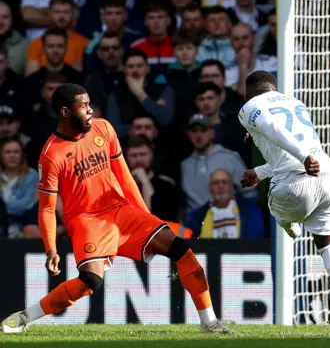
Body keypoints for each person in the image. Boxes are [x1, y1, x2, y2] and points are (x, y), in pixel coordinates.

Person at [0, 83, 232, 334]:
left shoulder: (103, 128)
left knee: (181, 249)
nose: (90, 111)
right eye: (83, 106)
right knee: (90, 282)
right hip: (86, 219)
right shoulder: (51, 155)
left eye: (90, 104)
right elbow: (46, 208)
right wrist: (51, 248)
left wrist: (146, 216)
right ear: (65, 112)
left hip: (120, 209)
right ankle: (24, 318)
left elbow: (124, 177)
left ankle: (209, 323)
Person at [239, 70, 330, 336]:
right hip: (329, 176)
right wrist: (261, 171)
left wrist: (303, 157)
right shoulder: (295, 102)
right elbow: (282, 152)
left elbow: (273, 130)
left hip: (295, 184)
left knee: (275, 206)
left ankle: (291, 226)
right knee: (329, 245)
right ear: (273, 88)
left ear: (247, 92)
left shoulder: (250, 107)